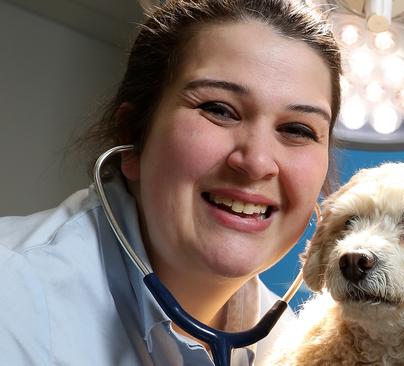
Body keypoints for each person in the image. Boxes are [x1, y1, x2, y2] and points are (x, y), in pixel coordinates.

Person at [0, 0, 342, 364]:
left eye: (297, 130)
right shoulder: (13, 295)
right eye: (218, 109)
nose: (256, 162)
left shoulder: (289, 347)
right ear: (134, 134)